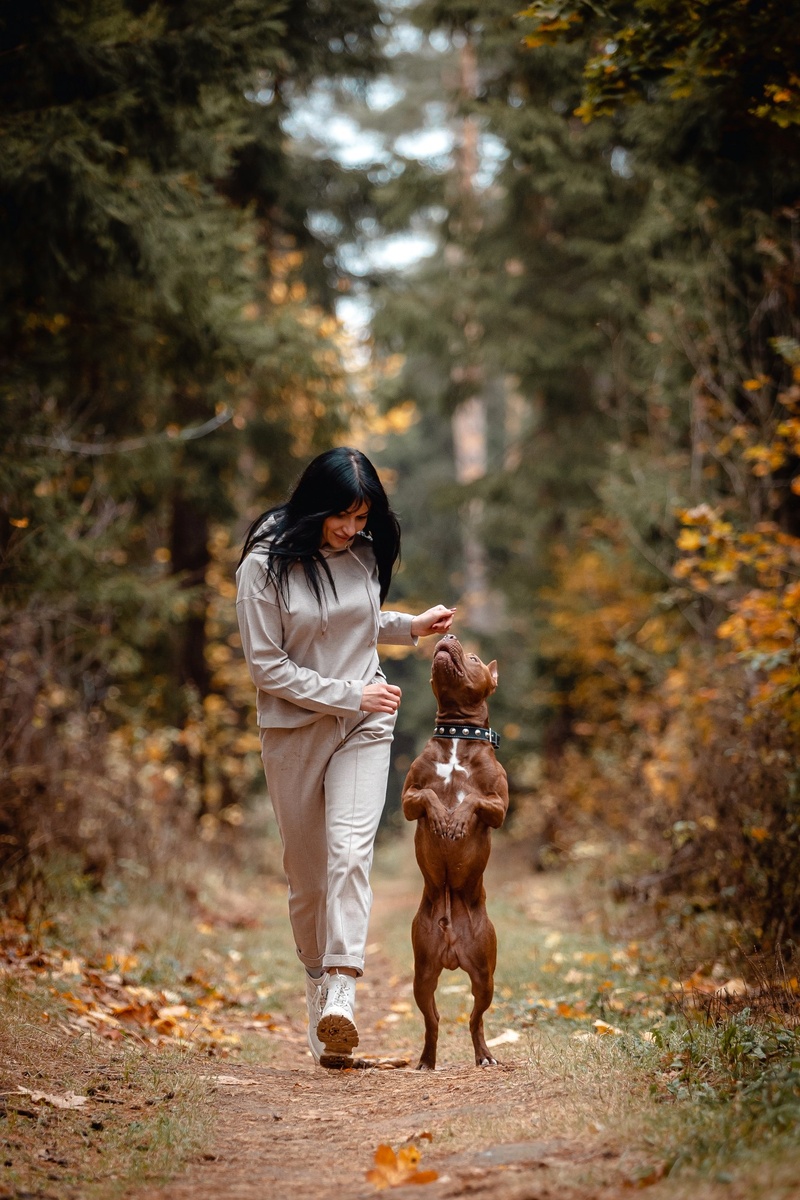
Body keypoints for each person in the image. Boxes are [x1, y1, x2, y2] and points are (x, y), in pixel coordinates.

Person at [236, 447, 454, 1067]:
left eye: (363, 519)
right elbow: (267, 665)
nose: (353, 530)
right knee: (308, 879)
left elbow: (353, 624)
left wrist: (411, 627)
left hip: (365, 722)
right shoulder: (263, 568)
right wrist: (344, 693)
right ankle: (316, 989)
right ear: (315, 504)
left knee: (351, 850)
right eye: (344, 517)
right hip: (294, 731)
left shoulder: (362, 552)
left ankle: (341, 989)